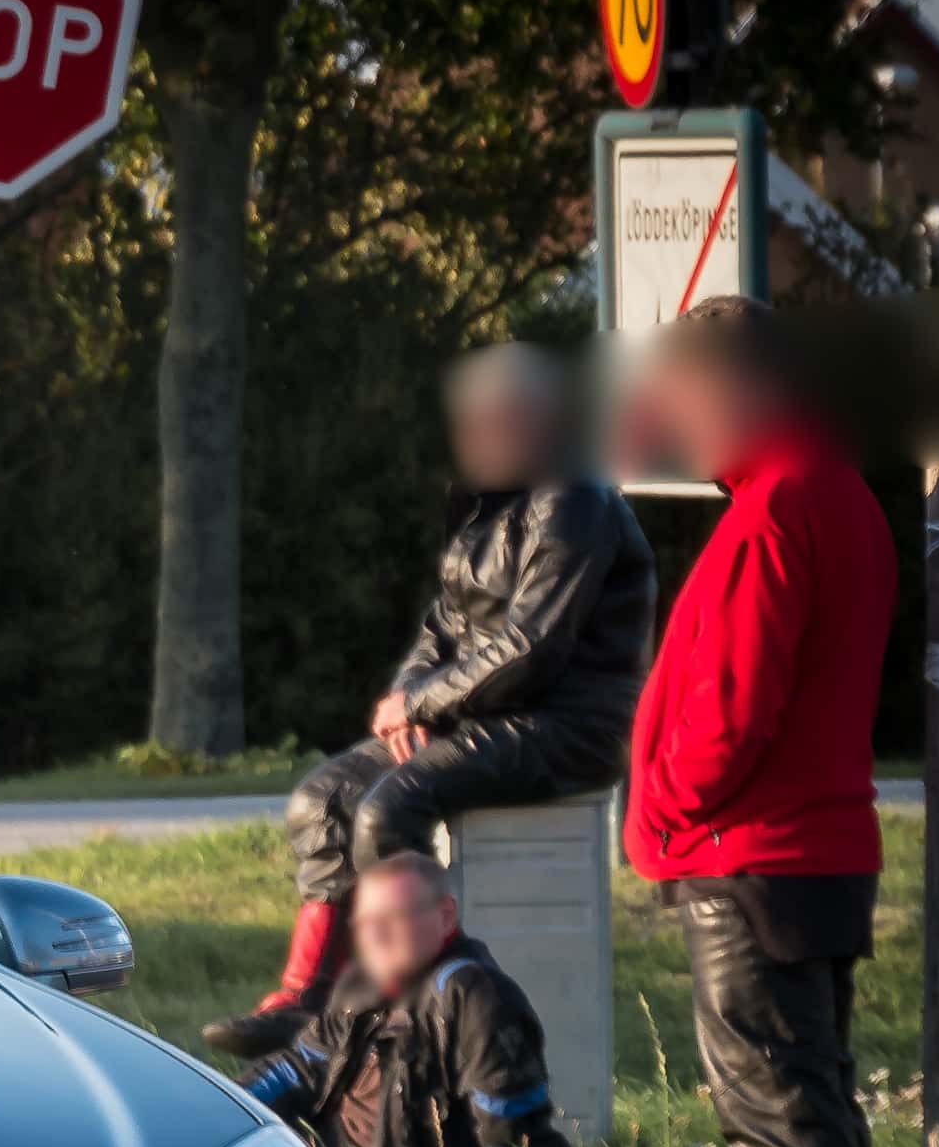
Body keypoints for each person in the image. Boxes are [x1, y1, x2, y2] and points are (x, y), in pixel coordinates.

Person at [211, 343, 655, 1055]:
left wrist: (422, 706)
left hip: (565, 723)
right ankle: (308, 999)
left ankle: (415, 1022)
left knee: (389, 808)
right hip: (477, 714)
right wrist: (406, 699)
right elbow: (442, 626)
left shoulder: (575, 501)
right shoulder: (484, 507)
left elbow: (532, 647)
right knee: (320, 799)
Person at [625, 296, 896, 1147]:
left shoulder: (779, 503)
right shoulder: (836, 492)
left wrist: (665, 808)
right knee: (813, 1085)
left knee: (776, 1101)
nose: (678, 425)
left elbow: (733, 708)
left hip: (753, 854)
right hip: (816, 845)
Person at [232, 853, 577, 1147]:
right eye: (366, 922)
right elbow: (299, 1068)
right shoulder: (361, 985)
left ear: (445, 917)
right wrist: (225, 1113)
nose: (376, 935)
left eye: (393, 917)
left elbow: (507, 1132)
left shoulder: (473, 996)